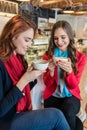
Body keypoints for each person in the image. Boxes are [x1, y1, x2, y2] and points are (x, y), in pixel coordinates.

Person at [0, 15, 70, 130]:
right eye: (27, 40)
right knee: (57, 116)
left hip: (16, 113)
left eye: (31, 41)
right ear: (12, 35)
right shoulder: (2, 63)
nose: (29, 45)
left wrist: (34, 76)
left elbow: (22, 91)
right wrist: (24, 79)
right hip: (4, 120)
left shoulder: (19, 58)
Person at [43, 20, 87, 130]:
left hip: (71, 95)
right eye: (56, 38)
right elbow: (47, 84)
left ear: (70, 37)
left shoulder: (80, 58)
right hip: (52, 94)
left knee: (67, 111)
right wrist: (51, 72)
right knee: (55, 117)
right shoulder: (48, 56)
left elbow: (73, 86)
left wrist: (70, 72)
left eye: (63, 37)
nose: (59, 42)